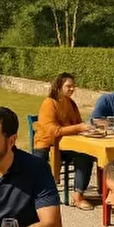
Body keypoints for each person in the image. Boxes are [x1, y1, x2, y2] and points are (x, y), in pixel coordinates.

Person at [33, 73, 95, 211]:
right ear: (58, 87)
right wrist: (79, 128)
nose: (72, 89)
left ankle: (78, 195)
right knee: (37, 166)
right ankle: (37, 196)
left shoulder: (71, 103)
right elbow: (52, 131)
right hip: (46, 144)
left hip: (66, 145)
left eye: (73, 86)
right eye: (68, 86)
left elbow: (78, 122)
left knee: (86, 155)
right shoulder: (49, 103)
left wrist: (88, 128)